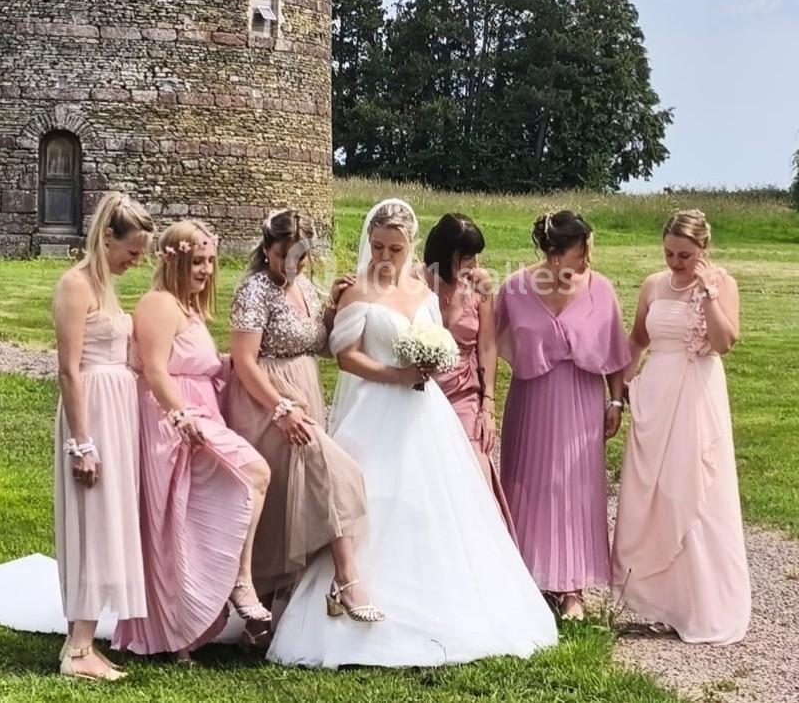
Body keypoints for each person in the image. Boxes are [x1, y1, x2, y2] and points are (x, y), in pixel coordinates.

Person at [266, 198, 557, 668]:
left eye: (395, 249)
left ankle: (445, 604)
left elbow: (442, 340)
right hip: (374, 406)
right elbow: (346, 356)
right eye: (378, 246)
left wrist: (432, 362)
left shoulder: (421, 291)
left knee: (432, 502)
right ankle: (351, 591)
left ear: (410, 247)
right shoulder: (359, 291)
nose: (385, 256)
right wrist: (394, 375)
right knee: (370, 499)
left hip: (425, 411)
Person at [0, 192, 155, 681]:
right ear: (107, 238)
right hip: (92, 414)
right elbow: (68, 370)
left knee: (106, 523)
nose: (135, 262)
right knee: (91, 524)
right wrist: (81, 443)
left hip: (116, 410)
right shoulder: (75, 286)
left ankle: (79, 642)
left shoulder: (108, 288)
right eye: (131, 253)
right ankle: (80, 650)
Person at [112, 221, 273, 663]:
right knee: (246, 476)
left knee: (189, 520)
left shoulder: (189, 308)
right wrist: (180, 416)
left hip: (199, 414)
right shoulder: (160, 305)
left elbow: (199, 363)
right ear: (175, 261)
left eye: (209, 262)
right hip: (174, 421)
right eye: (196, 261)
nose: (205, 270)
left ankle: (185, 630)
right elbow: (156, 369)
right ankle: (237, 583)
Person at [226, 209, 373, 641]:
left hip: (304, 392)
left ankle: (270, 613)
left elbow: (318, 345)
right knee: (331, 474)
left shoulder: (304, 286)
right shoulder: (254, 290)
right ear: (267, 250)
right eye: (283, 257)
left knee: (293, 499)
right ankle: (345, 580)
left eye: (300, 258)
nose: (292, 266)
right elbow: (244, 362)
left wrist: (333, 310)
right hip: (266, 401)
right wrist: (280, 409)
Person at [610, 209, 750, 645]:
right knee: (653, 493)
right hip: (655, 395)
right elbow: (636, 340)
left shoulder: (722, 284)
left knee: (693, 493)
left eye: (685, 255)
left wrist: (707, 293)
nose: (675, 262)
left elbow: (725, 342)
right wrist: (618, 394)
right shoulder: (654, 284)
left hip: (696, 393)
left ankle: (701, 603)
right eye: (669, 253)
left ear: (703, 250)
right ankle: (657, 601)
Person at [495, 210, 631, 621]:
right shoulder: (515, 289)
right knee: (529, 485)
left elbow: (616, 349)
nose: (588, 257)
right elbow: (484, 340)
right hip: (532, 401)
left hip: (582, 400)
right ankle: (529, 578)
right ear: (556, 256)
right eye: (581, 250)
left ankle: (572, 588)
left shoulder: (601, 289)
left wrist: (616, 401)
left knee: (576, 489)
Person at [421, 213, 513, 533]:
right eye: (467, 256)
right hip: (420, 391)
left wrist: (488, 405)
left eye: (476, 255)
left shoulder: (480, 285)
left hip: (463, 392)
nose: (474, 264)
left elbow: (487, 345)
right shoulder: (417, 282)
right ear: (445, 255)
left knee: (476, 475)